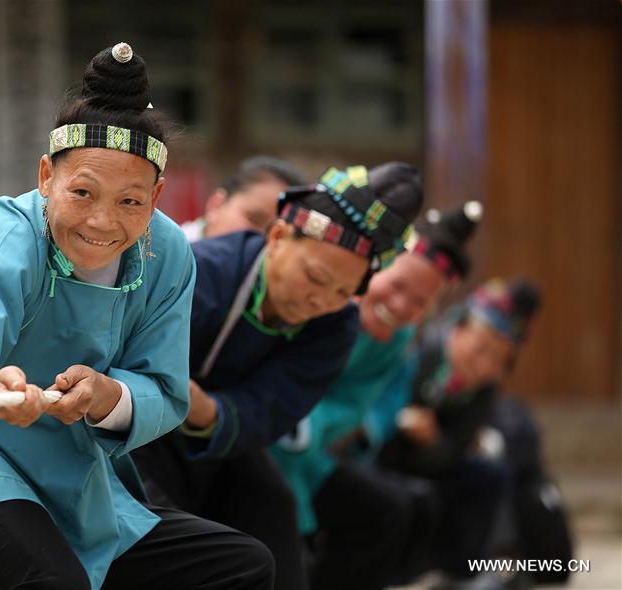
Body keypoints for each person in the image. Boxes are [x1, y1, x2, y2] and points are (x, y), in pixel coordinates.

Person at [0, 43, 274, 590]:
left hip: (76, 473)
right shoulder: (9, 233)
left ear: (156, 198)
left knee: (241, 567)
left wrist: (107, 396)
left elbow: (165, 388)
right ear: (46, 177)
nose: (102, 221)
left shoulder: (170, 253)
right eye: (82, 192)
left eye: (130, 201)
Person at [134, 162, 423, 590]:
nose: (319, 300)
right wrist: (175, 398)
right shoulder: (203, 270)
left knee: (272, 506)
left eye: (343, 293)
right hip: (140, 429)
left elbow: (277, 406)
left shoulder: (337, 323)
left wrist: (208, 408)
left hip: (221, 434)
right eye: (315, 278)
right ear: (277, 235)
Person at [271, 201, 482, 589]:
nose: (401, 306)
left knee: (387, 510)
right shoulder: (322, 298)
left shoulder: (399, 338)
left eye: (419, 302)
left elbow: (362, 403)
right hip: (261, 432)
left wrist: (345, 428)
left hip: (312, 449)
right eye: (398, 286)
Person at [375, 278, 541, 581]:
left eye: (499, 361)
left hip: (428, 461)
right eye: (480, 350)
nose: (484, 365)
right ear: (458, 329)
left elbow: (453, 449)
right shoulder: (416, 350)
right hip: (381, 456)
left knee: (491, 474)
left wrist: (433, 441)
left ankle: (460, 572)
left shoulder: (482, 391)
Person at [179, 156, 307, 242]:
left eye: (278, 234)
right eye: (254, 219)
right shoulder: (168, 255)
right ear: (216, 204)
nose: (260, 239)